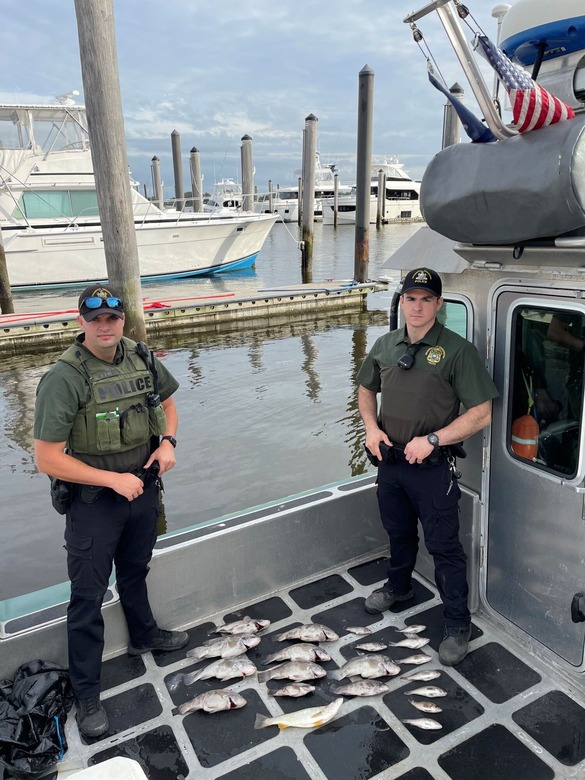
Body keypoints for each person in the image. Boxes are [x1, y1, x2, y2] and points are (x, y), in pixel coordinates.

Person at [34, 284, 188, 738]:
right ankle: (86, 693)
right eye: (95, 319)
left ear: (123, 320)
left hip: (143, 488)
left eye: (113, 318)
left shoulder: (141, 356)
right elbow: (47, 457)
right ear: (81, 321)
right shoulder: (65, 377)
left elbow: (170, 406)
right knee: (87, 597)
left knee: (136, 570)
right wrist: (111, 481)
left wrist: (168, 442)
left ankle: (144, 634)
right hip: (95, 503)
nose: (105, 326)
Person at [357, 268, 498, 666]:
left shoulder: (457, 351)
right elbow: (366, 388)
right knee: (398, 532)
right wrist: (371, 428)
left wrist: (435, 439)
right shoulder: (386, 344)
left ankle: (457, 624)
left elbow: (482, 413)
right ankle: (398, 586)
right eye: (410, 298)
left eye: (425, 299)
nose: (416, 306)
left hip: (432, 468)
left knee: (444, 547)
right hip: (390, 462)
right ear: (401, 301)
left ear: (438, 305)